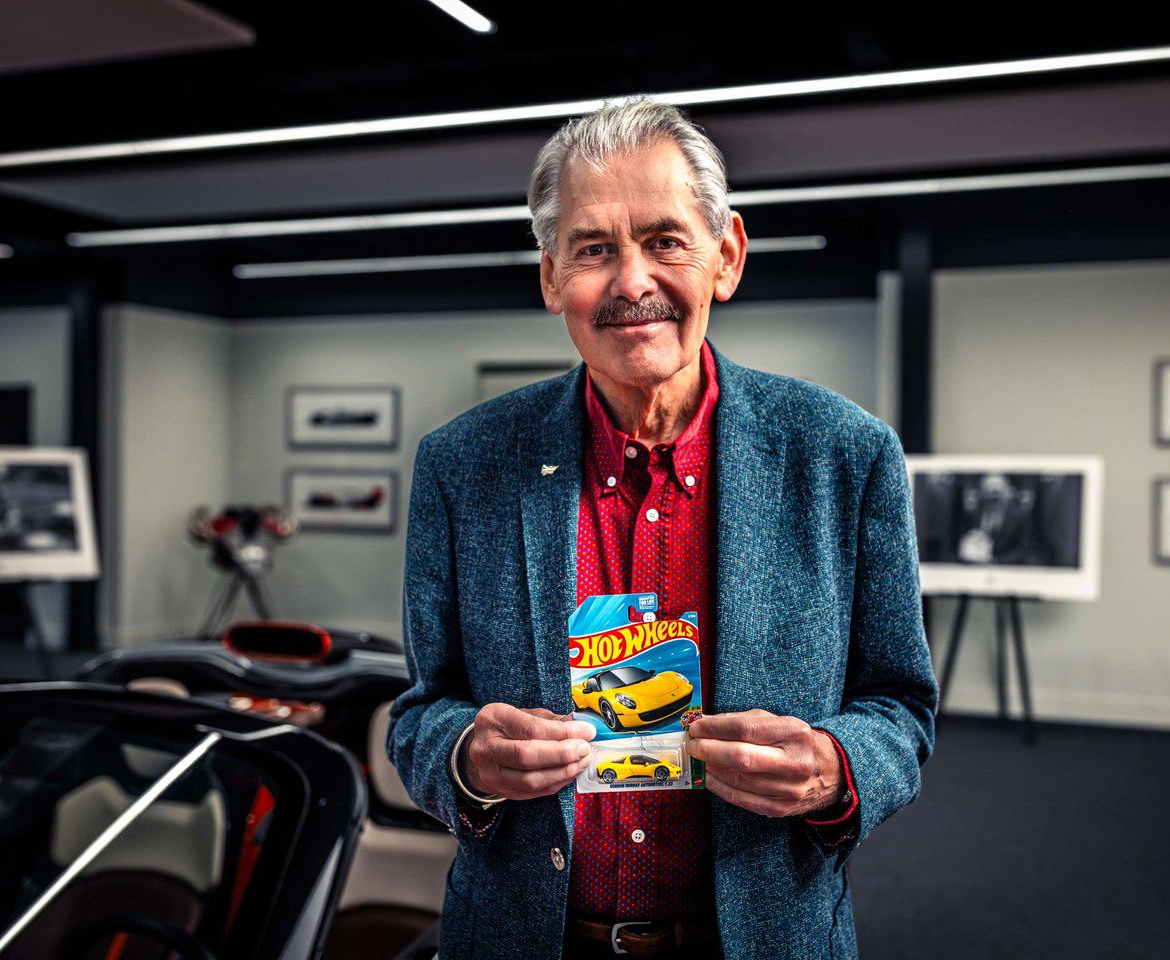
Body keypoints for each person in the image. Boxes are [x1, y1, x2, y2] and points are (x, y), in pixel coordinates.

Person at [387, 97, 938, 960]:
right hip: (521, 937)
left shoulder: (844, 455)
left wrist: (835, 767)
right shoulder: (464, 463)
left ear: (726, 257)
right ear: (548, 278)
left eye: (664, 240)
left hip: (760, 938)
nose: (630, 282)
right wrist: (461, 757)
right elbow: (420, 710)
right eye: (593, 249)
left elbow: (900, 709)